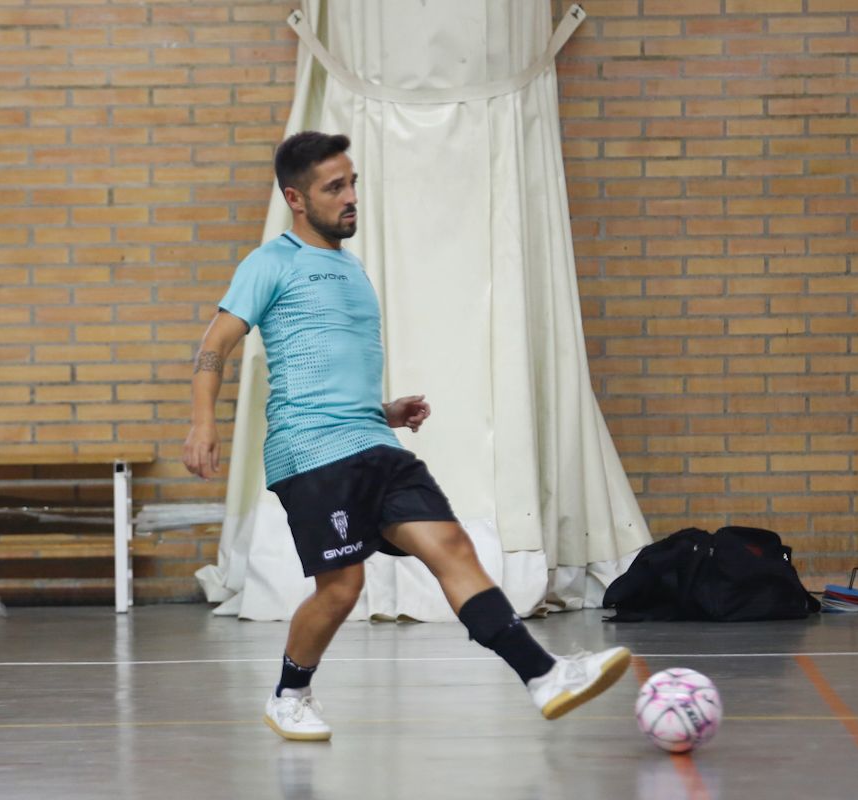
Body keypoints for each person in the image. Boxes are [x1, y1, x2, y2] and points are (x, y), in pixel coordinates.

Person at [183, 131, 631, 741]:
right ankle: (290, 694)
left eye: (352, 183)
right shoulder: (271, 263)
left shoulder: (350, 268)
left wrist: (384, 411)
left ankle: (543, 675)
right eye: (333, 187)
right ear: (295, 197)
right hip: (311, 453)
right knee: (342, 589)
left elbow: (329, 361)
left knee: (453, 548)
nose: (350, 198)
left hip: (373, 443)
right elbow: (214, 346)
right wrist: (203, 423)